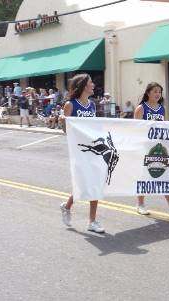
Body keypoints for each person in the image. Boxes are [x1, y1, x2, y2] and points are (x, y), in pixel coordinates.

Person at [59, 73, 104, 233]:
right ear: (84, 85)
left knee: (95, 183)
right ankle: (67, 206)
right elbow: (66, 130)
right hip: (79, 150)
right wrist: (62, 122)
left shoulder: (92, 105)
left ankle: (92, 221)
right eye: (91, 82)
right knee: (84, 183)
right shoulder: (71, 105)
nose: (93, 85)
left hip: (93, 149)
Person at [134, 82, 169, 216]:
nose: (158, 94)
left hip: (160, 148)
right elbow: (135, 129)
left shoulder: (161, 108)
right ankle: (140, 204)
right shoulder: (141, 108)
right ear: (148, 93)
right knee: (144, 176)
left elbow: (163, 128)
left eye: (159, 92)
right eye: (155, 91)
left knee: (164, 175)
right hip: (146, 148)